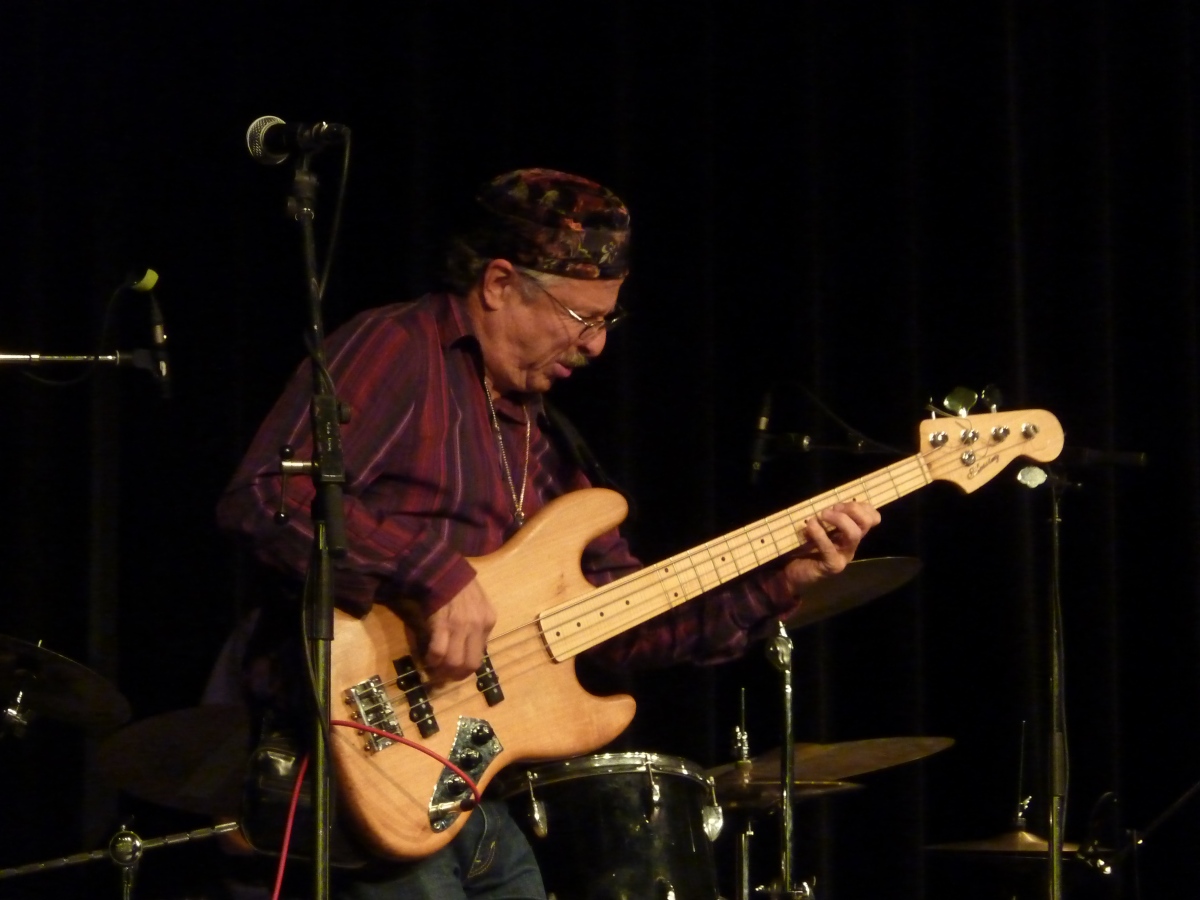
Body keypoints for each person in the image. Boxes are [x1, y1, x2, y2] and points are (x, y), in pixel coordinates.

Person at [216, 167, 880, 899]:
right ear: (500, 283)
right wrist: (431, 572)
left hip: (467, 789)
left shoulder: (541, 436)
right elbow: (266, 495)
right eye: (580, 317)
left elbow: (622, 629)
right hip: (347, 759)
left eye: (607, 322)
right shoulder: (400, 346)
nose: (596, 346)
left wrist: (781, 579)